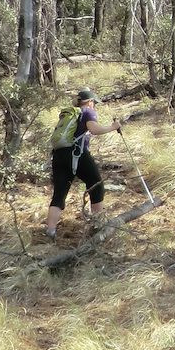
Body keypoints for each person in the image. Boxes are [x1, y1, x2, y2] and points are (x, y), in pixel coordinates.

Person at [45, 88, 122, 240]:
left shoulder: (70, 115)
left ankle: (50, 231)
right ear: (90, 102)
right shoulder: (87, 112)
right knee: (96, 185)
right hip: (77, 154)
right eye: (95, 103)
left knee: (59, 193)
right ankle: (98, 226)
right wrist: (112, 127)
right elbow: (94, 129)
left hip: (59, 155)